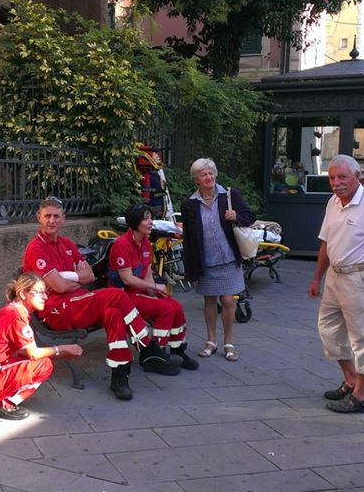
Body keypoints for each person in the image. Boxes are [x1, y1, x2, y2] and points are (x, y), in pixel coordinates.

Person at [22, 197, 181, 401]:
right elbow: (59, 287)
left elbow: (90, 276)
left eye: (56, 216)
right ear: (39, 218)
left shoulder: (67, 244)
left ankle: (120, 376)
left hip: (79, 302)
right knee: (115, 294)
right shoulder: (37, 248)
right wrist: (75, 279)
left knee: (113, 313)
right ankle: (148, 348)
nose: (51, 220)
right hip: (55, 310)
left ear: (63, 219)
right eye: (47, 216)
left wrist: (70, 278)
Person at [307, 154, 364, 414]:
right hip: (335, 276)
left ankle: (361, 397)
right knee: (329, 331)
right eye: (332, 178)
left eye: (342, 177)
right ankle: (351, 379)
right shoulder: (333, 202)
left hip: (359, 277)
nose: (336, 183)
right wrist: (317, 278)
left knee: (363, 337)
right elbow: (326, 242)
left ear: (357, 176)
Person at [0, 273, 83, 420]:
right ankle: (4, 404)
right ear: (23, 294)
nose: (45, 297)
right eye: (39, 292)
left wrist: (56, 352)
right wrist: (61, 349)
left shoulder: (13, 310)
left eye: (46, 292)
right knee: (44, 365)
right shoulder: (16, 315)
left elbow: (22, 351)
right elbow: (33, 354)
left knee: (35, 359)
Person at [180, 158, 256, 362]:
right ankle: (211, 340)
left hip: (229, 257)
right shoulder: (190, 204)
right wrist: (191, 270)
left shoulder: (229, 196)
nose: (209, 177)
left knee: (228, 299)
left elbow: (250, 216)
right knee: (210, 300)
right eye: (204, 174)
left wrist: (236, 216)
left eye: (211, 173)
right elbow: (188, 240)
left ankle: (229, 342)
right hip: (206, 260)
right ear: (196, 179)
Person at [107, 204, 197, 370]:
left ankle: (177, 350)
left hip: (139, 291)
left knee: (175, 307)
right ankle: (154, 355)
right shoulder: (121, 244)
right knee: (165, 309)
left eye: (150, 218)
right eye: (145, 219)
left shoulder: (146, 243)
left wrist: (152, 292)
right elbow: (127, 280)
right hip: (123, 296)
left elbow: (147, 271)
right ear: (135, 223)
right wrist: (154, 286)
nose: (150, 222)